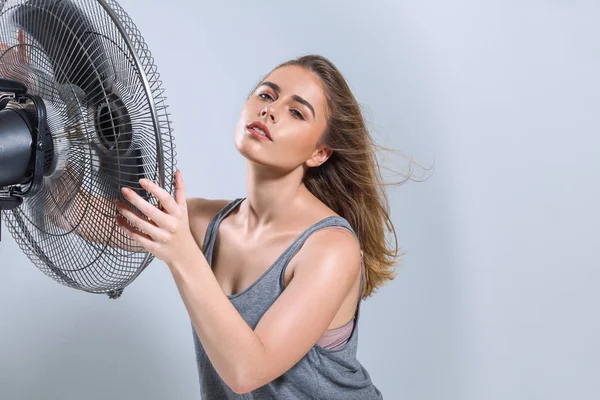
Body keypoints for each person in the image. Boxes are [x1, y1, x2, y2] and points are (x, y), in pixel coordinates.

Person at [115, 54, 405, 399]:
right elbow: (78, 216)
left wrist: (182, 255)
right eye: (266, 95)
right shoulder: (202, 222)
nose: (270, 110)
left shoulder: (330, 248)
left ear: (319, 153)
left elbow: (246, 371)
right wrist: (43, 133)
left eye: (296, 112)